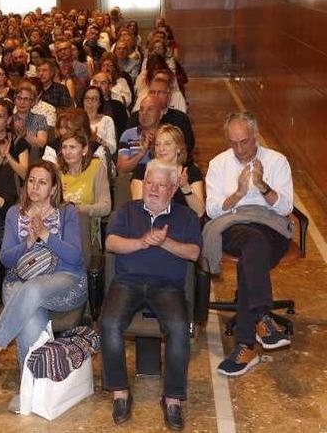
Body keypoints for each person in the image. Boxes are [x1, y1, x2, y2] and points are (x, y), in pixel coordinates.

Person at [0, 161, 88, 411]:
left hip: (64, 279)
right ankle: (30, 390)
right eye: (31, 180)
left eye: (43, 182)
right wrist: (28, 241)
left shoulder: (67, 213)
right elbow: (7, 259)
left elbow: (76, 257)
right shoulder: (14, 213)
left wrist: (46, 235)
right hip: (19, 278)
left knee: (31, 290)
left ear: (54, 188)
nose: (35, 186)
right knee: (30, 316)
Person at [101, 160, 201, 430]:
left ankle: (172, 398)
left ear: (171, 189)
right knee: (109, 323)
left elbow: (193, 252)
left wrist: (165, 242)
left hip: (167, 286)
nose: (153, 189)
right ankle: (120, 391)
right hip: (127, 282)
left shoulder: (185, 217)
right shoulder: (127, 211)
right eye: (149, 183)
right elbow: (110, 242)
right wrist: (142, 242)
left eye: (160, 185)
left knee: (179, 328)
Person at [206, 112, 294, 377]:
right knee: (252, 243)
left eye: (244, 142)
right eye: (233, 143)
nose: (238, 149)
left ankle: (247, 346)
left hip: (271, 227)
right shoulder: (218, 164)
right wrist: (239, 193)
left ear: (255, 136)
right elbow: (212, 210)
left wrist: (262, 186)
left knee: (251, 257)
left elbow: (287, 206)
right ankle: (261, 318)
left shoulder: (277, 161)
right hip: (234, 225)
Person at [131, 125, 204, 217]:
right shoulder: (142, 171)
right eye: (157, 144)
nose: (161, 149)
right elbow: (138, 209)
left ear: (179, 148)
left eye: (167, 144)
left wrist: (185, 187)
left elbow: (199, 212)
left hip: (184, 225)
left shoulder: (192, 171)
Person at [0, 99, 30, 178]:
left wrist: (8, 155)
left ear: (8, 120)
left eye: (0, 116)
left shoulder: (18, 142)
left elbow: (24, 175)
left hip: (10, 187)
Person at [80, 86, 117, 156]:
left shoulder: (107, 120)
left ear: (99, 103)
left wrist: (97, 139)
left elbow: (113, 149)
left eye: (94, 99)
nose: (90, 102)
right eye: (87, 98)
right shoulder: (76, 120)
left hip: (100, 160)